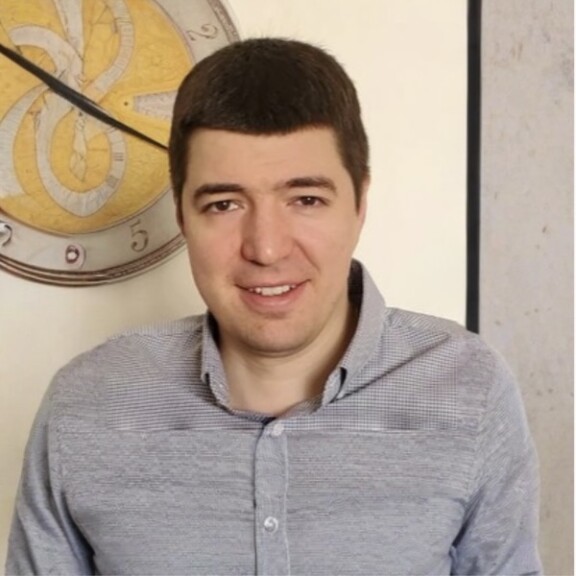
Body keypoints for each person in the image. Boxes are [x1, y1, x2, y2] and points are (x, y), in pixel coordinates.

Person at [6, 37, 541, 575]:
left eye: (306, 200)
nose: (266, 248)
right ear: (183, 217)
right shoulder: (86, 406)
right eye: (224, 204)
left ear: (360, 204)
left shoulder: (470, 392)